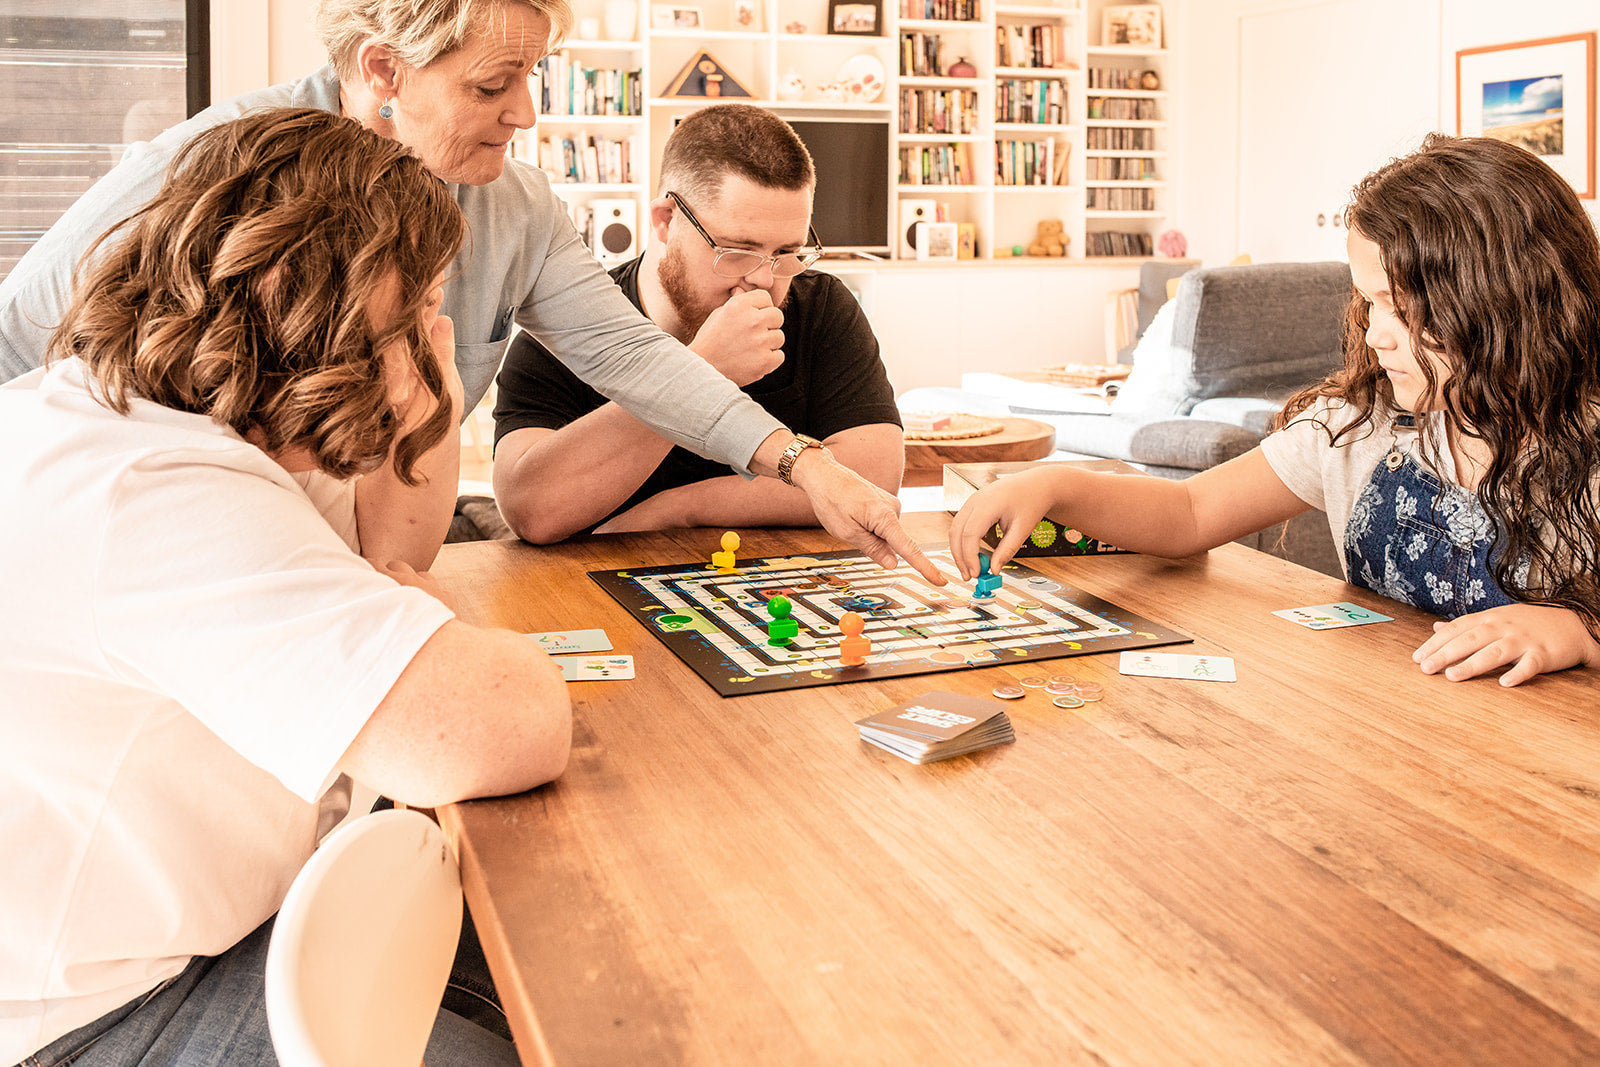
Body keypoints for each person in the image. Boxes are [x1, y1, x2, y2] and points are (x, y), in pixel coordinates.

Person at [0, 0, 939, 583]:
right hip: (185, 558)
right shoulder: (225, 167)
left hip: (370, 567)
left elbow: (631, 354)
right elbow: (29, 337)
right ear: (383, 70)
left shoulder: (514, 204)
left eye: (531, 76)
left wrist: (803, 465)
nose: (525, 113)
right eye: (495, 82)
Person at [0, 108, 570, 1067]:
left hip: (211, 923)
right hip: (99, 1013)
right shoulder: (149, 488)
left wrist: (412, 403)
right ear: (335, 315)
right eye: (422, 308)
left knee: (558, 958)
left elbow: (399, 558)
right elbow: (497, 724)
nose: (441, 332)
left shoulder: (190, 414)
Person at [949, 134, 1600, 688]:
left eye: (1403, 309)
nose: (1375, 333)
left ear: (1507, 303)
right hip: (1394, 740)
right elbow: (1191, 512)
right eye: (1369, 302)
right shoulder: (1357, 425)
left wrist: (1580, 629)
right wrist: (1056, 482)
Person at [492, 104, 905, 541]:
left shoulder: (821, 305)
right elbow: (531, 511)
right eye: (737, 251)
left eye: (787, 252)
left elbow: (870, 482)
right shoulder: (567, 322)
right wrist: (701, 370)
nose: (765, 280)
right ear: (666, 221)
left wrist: (680, 509)